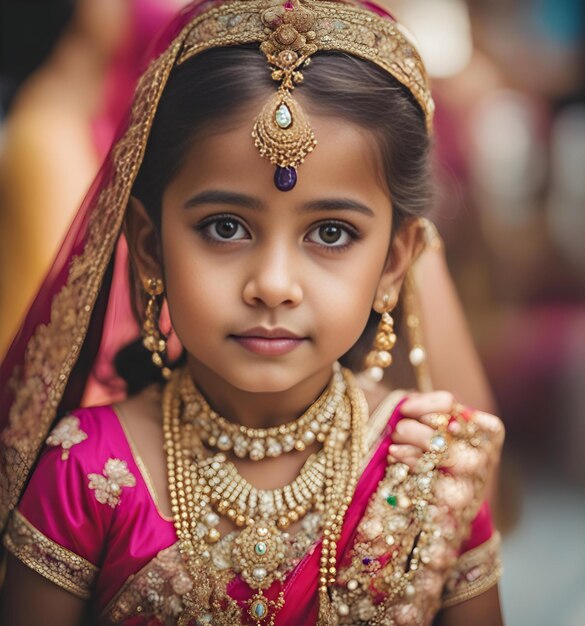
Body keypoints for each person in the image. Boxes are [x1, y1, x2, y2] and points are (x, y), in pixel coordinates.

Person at [0, 1, 505, 624]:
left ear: (395, 260)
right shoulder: (86, 470)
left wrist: (439, 496)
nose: (273, 285)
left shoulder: (426, 468)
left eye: (330, 234)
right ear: (151, 245)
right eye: (225, 226)